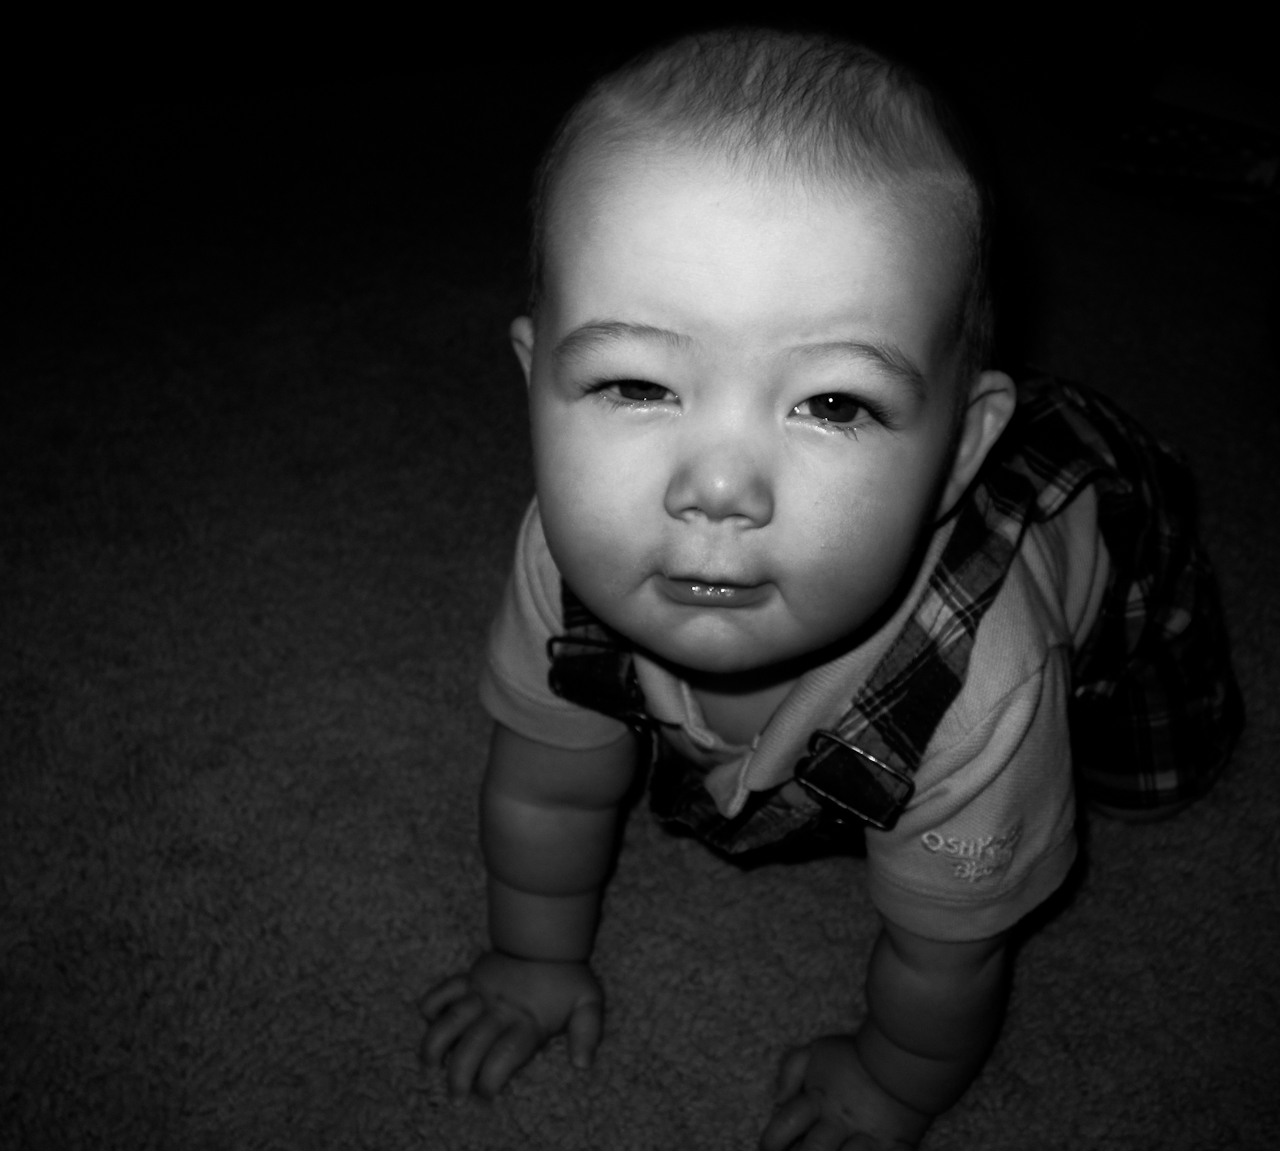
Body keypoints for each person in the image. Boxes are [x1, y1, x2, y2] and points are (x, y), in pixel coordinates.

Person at [420, 28, 1242, 1149]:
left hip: (1113, 537)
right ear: (534, 383)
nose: (716, 488)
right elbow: (546, 789)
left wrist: (893, 1081)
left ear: (959, 454)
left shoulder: (982, 692)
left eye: (832, 403)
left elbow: (944, 958)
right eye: (636, 384)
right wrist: (531, 956)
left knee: (1153, 778)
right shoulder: (563, 556)